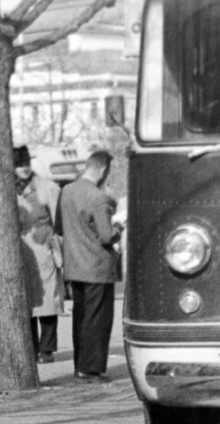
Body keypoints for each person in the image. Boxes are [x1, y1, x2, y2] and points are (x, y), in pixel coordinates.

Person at [57, 150, 122, 381]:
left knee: (81, 318)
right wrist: (119, 227)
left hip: (75, 266)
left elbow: (59, 227)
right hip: (98, 267)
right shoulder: (98, 197)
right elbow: (107, 236)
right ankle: (91, 369)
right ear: (103, 169)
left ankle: (80, 365)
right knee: (98, 320)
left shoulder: (66, 191)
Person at [14, 145, 63, 363]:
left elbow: (59, 223)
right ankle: (31, 348)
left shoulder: (48, 187)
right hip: (19, 250)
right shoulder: (7, 190)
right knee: (27, 302)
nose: (23, 169)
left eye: (26, 164)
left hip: (43, 249)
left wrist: (58, 251)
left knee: (48, 301)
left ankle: (47, 349)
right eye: (18, 165)